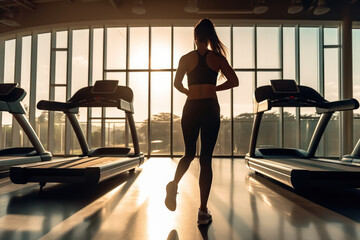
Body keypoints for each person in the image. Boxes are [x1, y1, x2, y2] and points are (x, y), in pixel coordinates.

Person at [165, 18, 239, 225]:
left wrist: (190, 92)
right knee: (206, 159)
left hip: (191, 107)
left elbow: (176, 83)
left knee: (189, 154)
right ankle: (203, 211)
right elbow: (234, 81)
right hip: (209, 108)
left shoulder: (186, 58)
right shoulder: (217, 58)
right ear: (210, 37)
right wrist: (213, 89)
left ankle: (174, 184)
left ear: (195, 37)